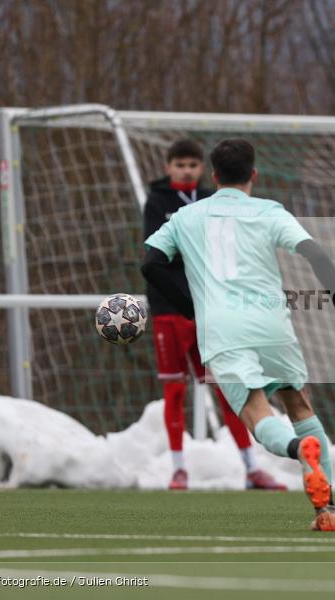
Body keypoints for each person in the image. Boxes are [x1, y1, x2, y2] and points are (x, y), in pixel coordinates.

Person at [143, 138, 335, 531]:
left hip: (223, 329)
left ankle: (299, 450)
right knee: (299, 407)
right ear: (254, 175)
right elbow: (316, 254)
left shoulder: (186, 217)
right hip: (272, 325)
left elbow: (151, 264)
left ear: (213, 176)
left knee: (255, 412)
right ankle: (327, 510)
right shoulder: (269, 211)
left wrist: (190, 307)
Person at [144, 139, 286, 492]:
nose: (186, 171)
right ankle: (178, 469)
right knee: (175, 391)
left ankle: (252, 468)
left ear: (203, 170)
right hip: (170, 311)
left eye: (193, 165)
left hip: (210, 312)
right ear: (168, 168)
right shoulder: (157, 202)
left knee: (227, 390)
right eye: (180, 165)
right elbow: (158, 254)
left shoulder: (212, 200)